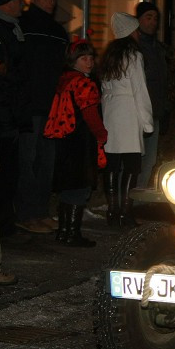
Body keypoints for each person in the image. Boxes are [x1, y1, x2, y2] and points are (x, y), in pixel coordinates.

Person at [16, 0, 68, 235]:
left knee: (47, 161)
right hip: (31, 104)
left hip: (52, 106)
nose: (51, 0)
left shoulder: (57, 31)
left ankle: (40, 211)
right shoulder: (24, 26)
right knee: (28, 159)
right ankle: (27, 213)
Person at [45, 39, 106, 247]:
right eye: (83, 58)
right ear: (73, 60)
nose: (89, 62)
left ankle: (63, 232)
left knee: (68, 188)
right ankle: (72, 234)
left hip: (65, 139)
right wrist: (101, 133)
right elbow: (90, 113)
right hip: (80, 141)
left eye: (91, 57)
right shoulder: (83, 83)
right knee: (79, 187)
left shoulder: (65, 79)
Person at [100, 12, 153, 227]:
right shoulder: (133, 55)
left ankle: (112, 210)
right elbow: (139, 89)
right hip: (129, 114)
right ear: (131, 31)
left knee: (112, 164)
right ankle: (125, 211)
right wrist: (147, 120)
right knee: (131, 165)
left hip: (111, 113)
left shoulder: (109, 55)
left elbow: (104, 89)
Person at [0, 0, 26, 240]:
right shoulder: (2, 33)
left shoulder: (15, 30)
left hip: (11, 115)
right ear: (5, 3)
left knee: (10, 175)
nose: (22, 4)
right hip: (3, 117)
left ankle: (7, 225)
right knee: (5, 176)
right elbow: (5, 78)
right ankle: (5, 228)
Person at [134, 1, 170, 189]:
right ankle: (127, 199)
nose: (153, 22)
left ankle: (137, 199)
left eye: (155, 18)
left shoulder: (159, 48)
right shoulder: (134, 47)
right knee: (135, 158)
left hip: (154, 110)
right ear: (138, 20)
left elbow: (163, 82)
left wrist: (164, 109)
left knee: (149, 158)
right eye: (148, 17)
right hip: (138, 112)